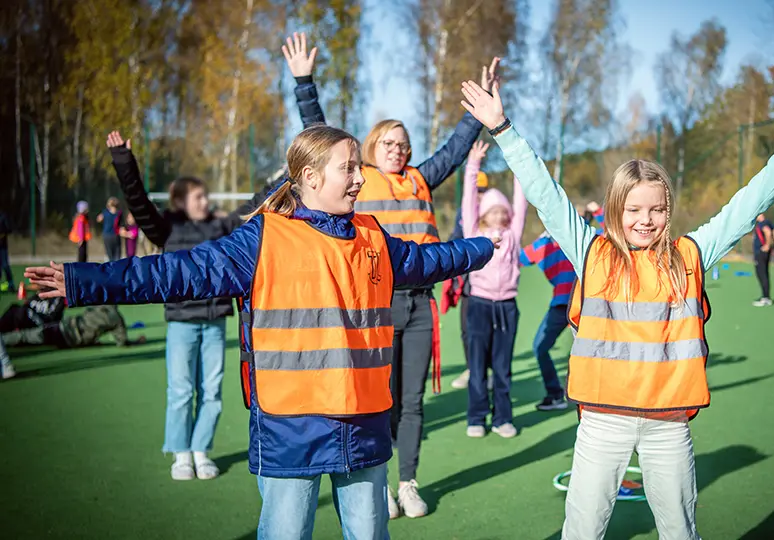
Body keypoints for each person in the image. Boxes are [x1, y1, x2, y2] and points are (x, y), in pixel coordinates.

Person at [26, 123, 494, 540]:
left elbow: (429, 260)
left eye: (358, 168)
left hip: (366, 424)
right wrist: (81, 281)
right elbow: (172, 272)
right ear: (311, 177)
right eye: (348, 169)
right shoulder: (263, 238)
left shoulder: (373, 236)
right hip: (292, 427)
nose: (359, 178)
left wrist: (481, 247)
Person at [461, 74, 774, 539]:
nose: (645, 220)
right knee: (581, 532)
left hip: (668, 428)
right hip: (602, 424)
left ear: (668, 211)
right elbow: (545, 192)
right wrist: (502, 129)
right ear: (616, 210)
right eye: (634, 210)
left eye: (656, 210)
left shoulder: (689, 256)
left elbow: (745, 205)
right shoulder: (592, 251)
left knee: (679, 531)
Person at [282, 32, 496, 518]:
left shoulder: (421, 177)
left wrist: (478, 113)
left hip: (420, 303)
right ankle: (376, 484)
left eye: (403, 144)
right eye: (388, 143)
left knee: (414, 400)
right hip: (373, 304)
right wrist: (303, 82)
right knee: (381, 400)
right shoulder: (357, 178)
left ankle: (408, 482)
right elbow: (318, 134)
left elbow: (457, 146)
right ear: (372, 148)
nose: (397, 150)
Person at [106, 129, 269, 481]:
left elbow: (255, 204)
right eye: (198, 197)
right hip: (181, 323)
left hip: (214, 324)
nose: (205, 201)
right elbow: (138, 202)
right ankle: (181, 454)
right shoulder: (166, 229)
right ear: (180, 201)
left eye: (205, 196)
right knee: (181, 390)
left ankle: (201, 451)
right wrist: (124, 161)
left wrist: (288, 174)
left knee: (211, 391)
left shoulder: (222, 227)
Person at [461, 140, 527, 438]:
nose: (500, 215)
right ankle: (476, 417)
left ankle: (502, 418)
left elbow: (521, 201)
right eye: (494, 211)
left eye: (504, 211)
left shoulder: (513, 235)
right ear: (483, 213)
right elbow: (467, 202)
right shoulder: (473, 232)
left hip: (507, 307)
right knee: (477, 367)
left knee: (502, 368)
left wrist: (518, 168)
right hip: (479, 305)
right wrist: (473, 166)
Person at [519, 202, 604, 412]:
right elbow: (523, 257)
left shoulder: (592, 238)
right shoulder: (552, 239)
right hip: (561, 305)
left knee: (594, 353)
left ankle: (598, 399)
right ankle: (555, 394)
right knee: (540, 347)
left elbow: (615, 235)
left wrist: (598, 212)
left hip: (588, 306)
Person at [449, 169, 490, 391]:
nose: (479, 195)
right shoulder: (462, 212)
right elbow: (455, 237)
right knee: (466, 329)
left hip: (489, 283)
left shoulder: (494, 211)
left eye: (482, 191)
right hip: (467, 282)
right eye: (475, 190)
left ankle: (487, 370)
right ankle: (472, 368)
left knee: (488, 331)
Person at [2, 305, 146, 349]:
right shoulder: (117, 319)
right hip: (71, 338)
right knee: (28, 338)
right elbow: (122, 343)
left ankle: (3, 341)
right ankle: (3, 342)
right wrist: (137, 342)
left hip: (63, 325)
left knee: (27, 336)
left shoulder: (98, 305)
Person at [0, 289, 66, 333]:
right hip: (30, 318)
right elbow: (26, 304)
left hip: (43, 322)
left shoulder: (57, 298)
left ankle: (14, 330)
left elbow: (53, 317)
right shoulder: (36, 296)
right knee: (14, 308)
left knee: (23, 311)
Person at [752, 212, 774, 307]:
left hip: (761, 253)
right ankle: (766, 296)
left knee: (761, 273)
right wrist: (772, 246)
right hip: (765, 252)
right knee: (764, 273)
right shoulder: (768, 222)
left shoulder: (762, 224)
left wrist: (767, 245)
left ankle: (765, 298)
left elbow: (768, 232)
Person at [97, 197, 123, 262]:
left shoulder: (105, 212)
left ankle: (110, 268)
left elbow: (99, 219)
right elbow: (121, 225)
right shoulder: (119, 213)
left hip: (106, 235)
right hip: (115, 235)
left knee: (109, 254)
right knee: (117, 254)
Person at [0, 210, 13, 292]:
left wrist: (3, 234)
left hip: (2, 246)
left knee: (5, 265)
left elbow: (9, 229)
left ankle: (11, 284)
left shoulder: (3, 217)